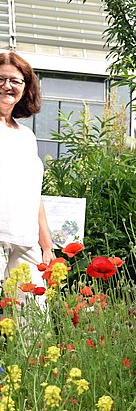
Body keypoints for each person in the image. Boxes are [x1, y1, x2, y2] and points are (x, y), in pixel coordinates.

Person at [0, 51, 55, 307]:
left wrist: (46, 245)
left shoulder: (26, 136)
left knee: (34, 323)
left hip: (25, 242)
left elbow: (34, 194)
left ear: (25, 88)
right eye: (1, 79)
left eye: (15, 81)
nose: (7, 86)